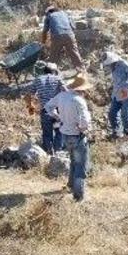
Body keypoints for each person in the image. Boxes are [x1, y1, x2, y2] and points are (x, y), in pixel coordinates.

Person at [44, 74, 93, 202]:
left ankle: (71, 185)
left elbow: (48, 106)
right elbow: (85, 121)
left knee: (73, 161)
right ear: (81, 89)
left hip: (65, 134)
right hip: (77, 136)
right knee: (81, 166)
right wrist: (82, 128)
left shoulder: (61, 96)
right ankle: (78, 196)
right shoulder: (79, 100)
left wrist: (58, 117)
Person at [25, 61, 67, 154]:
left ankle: (48, 152)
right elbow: (66, 92)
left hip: (45, 111)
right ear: (54, 71)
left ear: (44, 71)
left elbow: (29, 95)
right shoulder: (58, 79)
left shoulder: (38, 79)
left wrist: (30, 106)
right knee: (59, 131)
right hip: (57, 111)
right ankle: (58, 152)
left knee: (47, 133)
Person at [102, 51, 128, 140]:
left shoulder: (123, 64)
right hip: (116, 94)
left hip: (126, 94)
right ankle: (117, 132)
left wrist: (127, 87)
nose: (109, 66)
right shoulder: (111, 66)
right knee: (112, 114)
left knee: (125, 115)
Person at [41, 6, 85, 72]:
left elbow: (45, 31)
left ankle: (50, 74)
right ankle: (82, 71)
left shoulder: (49, 16)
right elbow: (73, 26)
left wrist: (43, 42)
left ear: (48, 12)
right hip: (69, 35)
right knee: (75, 54)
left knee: (53, 56)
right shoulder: (64, 14)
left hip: (57, 36)